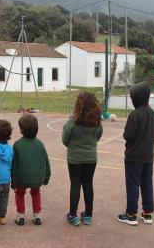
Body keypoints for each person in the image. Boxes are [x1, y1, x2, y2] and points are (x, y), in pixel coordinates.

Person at [117, 81, 154, 226]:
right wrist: (147, 136)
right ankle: (147, 213)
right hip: (149, 156)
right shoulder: (152, 113)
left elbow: (128, 136)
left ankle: (131, 214)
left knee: (132, 184)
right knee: (147, 184)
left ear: (136, 98)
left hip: (133, 157)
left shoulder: (135, 115)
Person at [63, 92, 103, 226]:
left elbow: (65, 139)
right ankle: (88, 215)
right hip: (91, 157)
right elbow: (98, 136)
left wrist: (74, 146)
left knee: (75, 184)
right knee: (88, 184)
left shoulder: (72, 123)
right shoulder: (96, 123)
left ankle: (73, 215)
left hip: (74, 158)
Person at [11, 114, 51, 226]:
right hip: (37, 178)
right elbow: (46, 162)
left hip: (21, 178)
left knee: (19, 193)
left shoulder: (17, 145)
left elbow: (14, 165)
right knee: (36, 192)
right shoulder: (40, 144)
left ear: (22, 129)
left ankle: (20, 216)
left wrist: (13, 182)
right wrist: (46, 177)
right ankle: (37, 215)